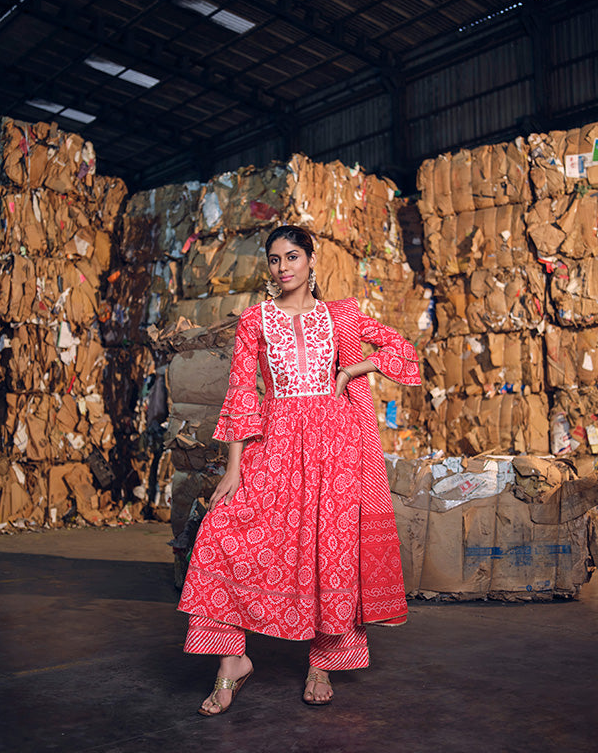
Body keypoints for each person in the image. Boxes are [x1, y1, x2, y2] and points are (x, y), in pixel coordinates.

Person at [178, 224, 421, 715]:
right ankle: (232, 664)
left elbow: (402, 350)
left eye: (292, 256)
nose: (283, 267)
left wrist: (353, 370)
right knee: (221, 534)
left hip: (336, 449)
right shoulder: (255, 321)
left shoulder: (341, 317)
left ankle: (323, 661)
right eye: (274, 259)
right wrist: (233, 467)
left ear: (311, 260)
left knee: (329, 550)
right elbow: (243, 395)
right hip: (277, 443)